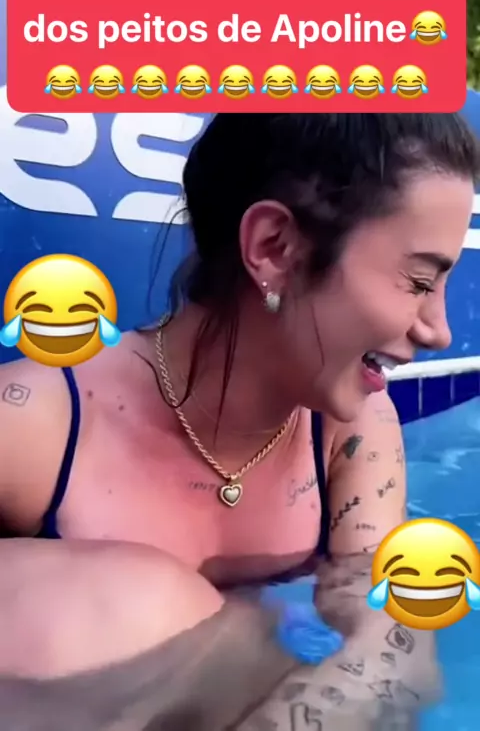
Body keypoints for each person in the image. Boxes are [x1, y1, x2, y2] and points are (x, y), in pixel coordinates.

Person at [0, 112, 478, 729]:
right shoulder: (36, 421)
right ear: (274, 247)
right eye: (418, 281)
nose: (440, 331)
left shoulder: (353, 432)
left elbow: (392, 647)